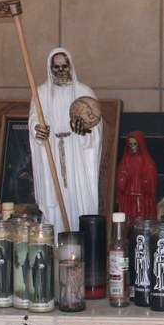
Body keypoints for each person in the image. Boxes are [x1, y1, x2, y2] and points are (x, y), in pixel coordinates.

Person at [27, 48, 101, 233]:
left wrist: (85, 131)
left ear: (70, 67)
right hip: (52, 151)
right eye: (56, 67)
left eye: (64, 66)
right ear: (50, 68)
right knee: (55, 202)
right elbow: (35, 117)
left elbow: (96, 126)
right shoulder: (41, 93)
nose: (61, 71)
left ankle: (79, 239)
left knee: (79, 196)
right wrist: (38, 129)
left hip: (77, 156)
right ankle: (56, 241)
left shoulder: (84, 92)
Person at [116, 131, 158, 220]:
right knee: (130, 214)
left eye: (135, 144)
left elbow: (151, 173)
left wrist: (147, 180)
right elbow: (122, 171)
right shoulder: (125, 160)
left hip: (143, 194)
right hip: (129, 195)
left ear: (140, 144)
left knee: (142, 214)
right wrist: (123, 177)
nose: (133, 147)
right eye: (130, 144)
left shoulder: (147, 161)